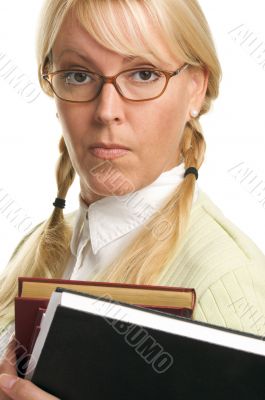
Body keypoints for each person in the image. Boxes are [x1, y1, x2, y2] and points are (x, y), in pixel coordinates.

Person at [0, 0, 265, 397]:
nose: (107, 111)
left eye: (143, 74)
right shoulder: (35, 246)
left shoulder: (227, 281)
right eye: (78, 74)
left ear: (197, 87)